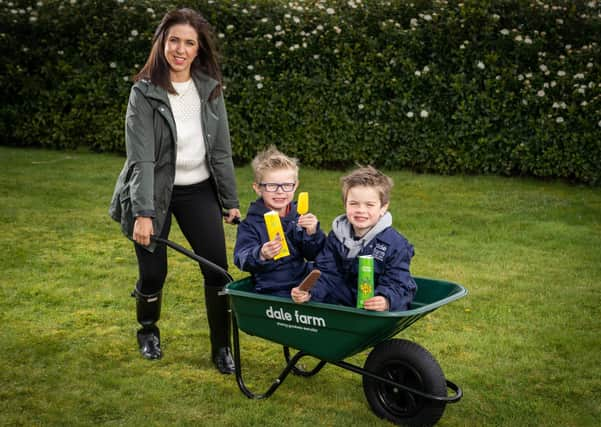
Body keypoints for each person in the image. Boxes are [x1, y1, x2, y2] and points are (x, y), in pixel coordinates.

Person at [108, 8, 240, 374]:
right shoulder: (144, 93)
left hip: (198, 191)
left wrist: (229, 201)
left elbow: (221, 150)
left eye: (189, 43)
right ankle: (147, 330)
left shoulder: (209, 89)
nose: (180, 49)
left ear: (199, 50)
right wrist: (144, 213)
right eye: (174, 41)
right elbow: (142, 160)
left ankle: (221, 348)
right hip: (154, 192)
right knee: (153, 275)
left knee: (218, 272)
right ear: (162, 44)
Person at [291, 166, 417, 311]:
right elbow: (327, 273)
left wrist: (386, 300)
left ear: (383, 207)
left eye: (369, 205)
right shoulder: (336, 237)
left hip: (374, 308)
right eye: (353, 203)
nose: (361, 210)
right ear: (345, 204)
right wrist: (310, 293)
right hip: (342, 306)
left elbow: (398, 282)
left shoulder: (395, 244)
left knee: (402, 291)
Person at [234, 146, 326, 296]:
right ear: (258, 188)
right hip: (273, 288)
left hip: (304, 281)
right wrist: (261, 253)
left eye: (287, 185)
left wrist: (312, 233)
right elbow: (241, 258)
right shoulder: (251, 225)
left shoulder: (299, 216)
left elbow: (315, 255)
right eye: (271, 185)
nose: (280, 191)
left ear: (295, 186)